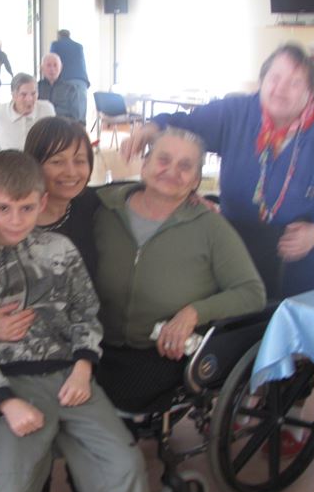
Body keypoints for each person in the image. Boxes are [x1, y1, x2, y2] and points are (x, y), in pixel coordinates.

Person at [0, 150, 154, 492]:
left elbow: (86, 313)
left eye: (26, 208)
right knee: (14, 489)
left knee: (126, 467)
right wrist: (5, 402)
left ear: (42, 203)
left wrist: (83, 367)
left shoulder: (60, 249)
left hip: (71, 378)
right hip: (10, 387)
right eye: (4, 208)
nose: (15, 219)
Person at [121, 42, 314, 299]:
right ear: (262, 80)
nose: (280, 89)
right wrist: (151, 129)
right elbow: (185, 125)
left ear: (311, 93)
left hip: (300, 274)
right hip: (236, 258)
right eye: (274, 77)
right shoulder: (236, 112)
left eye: (294, 83)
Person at [94, 127, 266, 413]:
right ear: (145, 164)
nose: (172, 171)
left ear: (196, 180)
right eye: (163, 159)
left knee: (104, 402)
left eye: (185, 166)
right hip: (94, 342)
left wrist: (194, 313)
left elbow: (252, 293)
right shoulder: (103, 208)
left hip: (161, 352)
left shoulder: (211, 227)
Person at [0, 73, 55, 151]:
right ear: (14, 95)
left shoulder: (46, 109)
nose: (29, 99)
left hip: (36, 158)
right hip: (6, 158)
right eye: (23, 94)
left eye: (33, 93)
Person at [49, 30, 90, 123]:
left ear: (59, 36)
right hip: (81, 80)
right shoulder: (79, 46)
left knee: (65, 110)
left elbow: (53, 60)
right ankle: (81, 130)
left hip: (65, 79)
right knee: (81, 111)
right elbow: (82, 64)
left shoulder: (56, 44)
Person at [38, 53, 81, 122]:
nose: (52, 69)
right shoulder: (36, 88)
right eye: (48, 65)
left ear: (60, 68)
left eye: (55, 65)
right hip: (41, 125)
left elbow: (75, 116)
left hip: (64, 125)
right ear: (42, 68)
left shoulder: (70, 88)